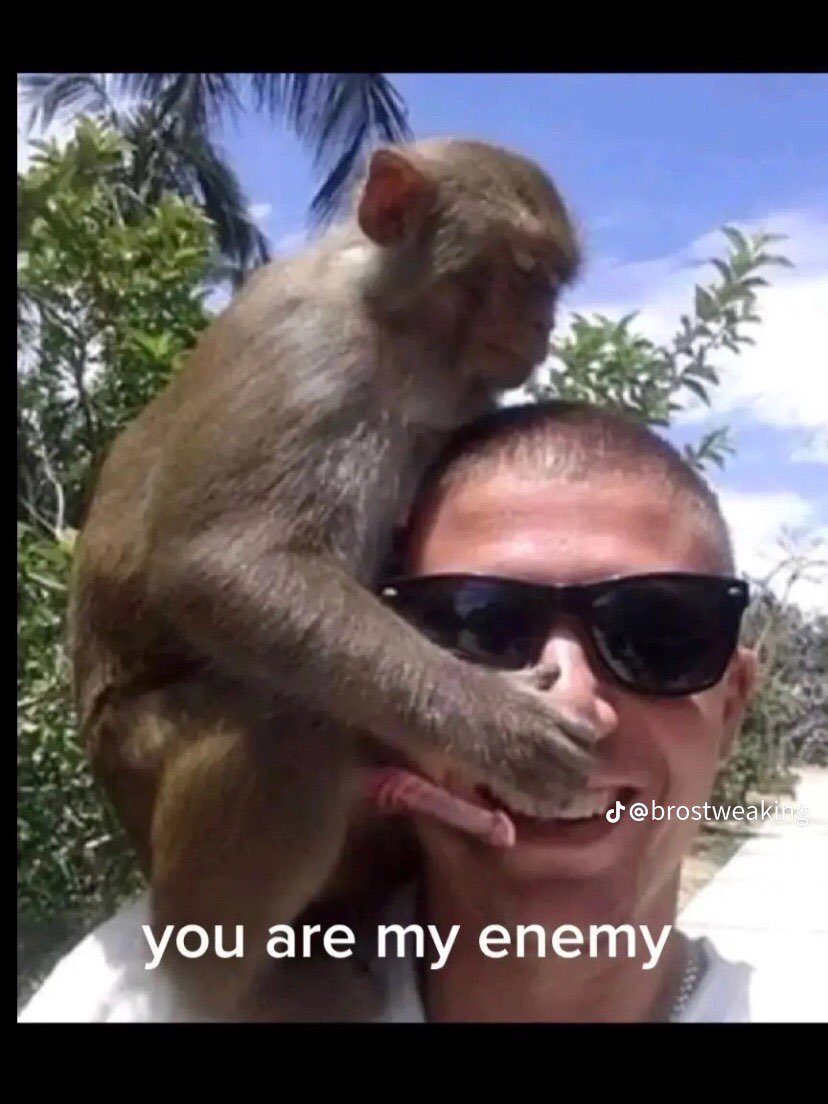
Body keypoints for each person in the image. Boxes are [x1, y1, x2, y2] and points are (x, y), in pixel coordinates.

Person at [18, 400, 799, 1022]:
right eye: (476, 627)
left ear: (731, 708)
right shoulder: (146, 999)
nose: (572, 706)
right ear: (370, 690)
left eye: (657, 634)